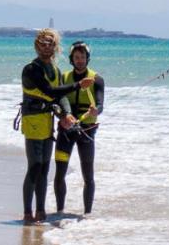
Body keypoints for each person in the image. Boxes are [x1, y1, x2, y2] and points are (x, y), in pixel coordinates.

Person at [19, 29, 92, 224]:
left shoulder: (55, 70)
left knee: (44, 167)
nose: (46, 46)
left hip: (47, 121)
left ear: (55, 47)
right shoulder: (31, 69)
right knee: (34, 166)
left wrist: (66, 114)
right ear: (36, 45)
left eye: (50, 43)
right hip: (33, 120)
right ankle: (28, 212)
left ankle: (41, 211)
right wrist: (77, 86)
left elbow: (61, 97)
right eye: (43, 43)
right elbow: (49, 91)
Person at [54, 41, 105, 215]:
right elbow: (58, 101)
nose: (80, 60)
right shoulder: (64, 78)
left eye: (83, 57)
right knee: (60, 173)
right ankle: (59, 211)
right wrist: (63, 117)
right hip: (66, 131)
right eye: (76, 57)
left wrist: (95, 110)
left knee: (88, 176)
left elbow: (100, 105)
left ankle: (87, 215)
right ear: (71, 59)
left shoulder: (97, 80)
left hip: (86, 131)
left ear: (87, 58)